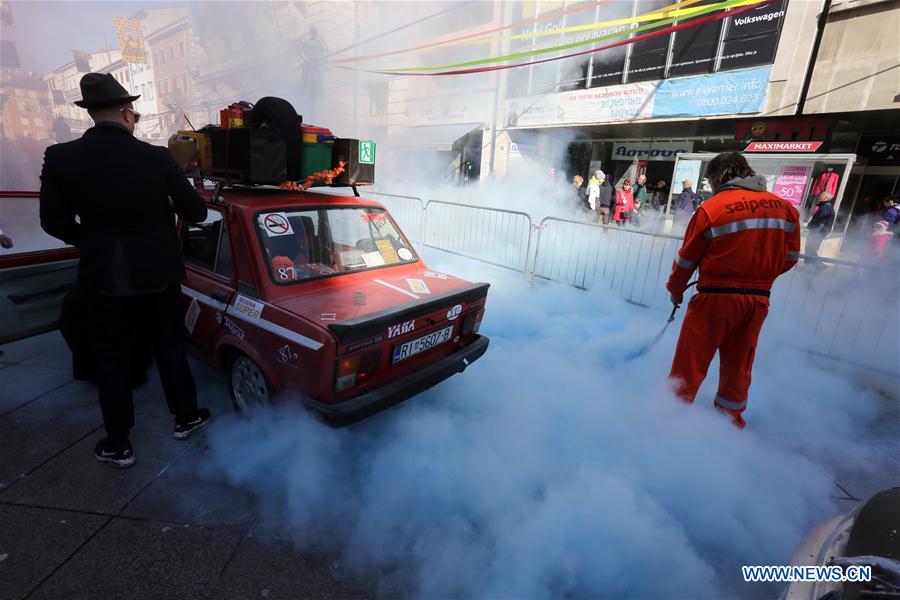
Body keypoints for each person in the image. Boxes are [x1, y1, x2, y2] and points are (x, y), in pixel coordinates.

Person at [39, 73, 210, 468]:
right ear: (127, 113)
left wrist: (91, 241)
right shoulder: (156, 157)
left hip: (103, 277)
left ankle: (119, 444)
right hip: (158, 273)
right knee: (169, 347)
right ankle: (185, 418)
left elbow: (53, 222)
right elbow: (197, 213)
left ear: (91, 113)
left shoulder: (60, 156)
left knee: (111, 358)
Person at [666, 152, 800, 429]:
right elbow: (790, 258)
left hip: (714, 299)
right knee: (739, 363)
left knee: (690, 362)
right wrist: (759, 279)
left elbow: (687, 259)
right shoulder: (786, 209)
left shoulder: (712, 208)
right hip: (757, 301)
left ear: (718, 177)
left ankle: (670, 419)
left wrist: (675, 290)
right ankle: (729, 423)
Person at [805, 192, 835, 256]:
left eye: (821, 196)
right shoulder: (826, 206)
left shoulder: (826, 207)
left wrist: (812, 228)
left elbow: (819, 221)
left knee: (810, 251)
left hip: (817, 232)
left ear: (826, 198)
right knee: (811, 251)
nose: (819, 197)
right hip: (818, 232)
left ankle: (811, 262)